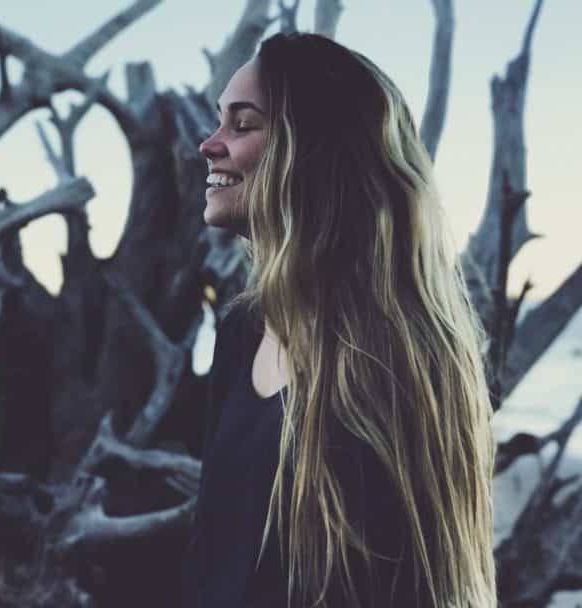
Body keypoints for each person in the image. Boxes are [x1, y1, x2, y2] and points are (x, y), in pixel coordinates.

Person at [180, 32, 497, 608]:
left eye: (242, 124)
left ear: (316, 151)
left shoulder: (395, 349)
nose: (209, 144)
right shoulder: (243, 330)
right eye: (219, 122)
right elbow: (214, 558)